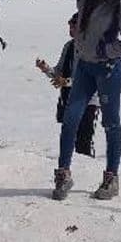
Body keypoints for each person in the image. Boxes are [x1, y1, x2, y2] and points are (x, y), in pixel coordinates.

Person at [4, 0, 121, 201]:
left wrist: (102, 51)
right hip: (84, 69)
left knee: (111, 124)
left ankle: (111, 178)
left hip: (108, 70)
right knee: (70, 120)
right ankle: (63, 174)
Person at [36, 13, 99, 157]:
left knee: (84, 141)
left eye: (73, 25)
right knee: (69, 140)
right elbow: (59, 73)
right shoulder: (69, 46)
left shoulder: (93, 48)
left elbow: (91, 80)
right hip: (70, 100)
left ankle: (89, 170)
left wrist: (66, 82)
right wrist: (46, 69)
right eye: (70, 25)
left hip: (89, 102)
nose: (70, 28)